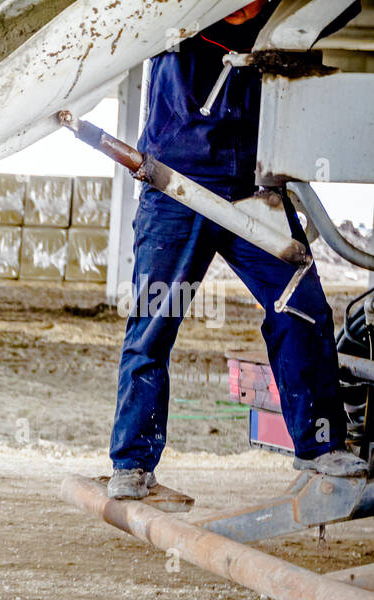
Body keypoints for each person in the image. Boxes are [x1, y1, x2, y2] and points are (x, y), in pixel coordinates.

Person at [108, 0, 365, 500]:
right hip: (177, 187)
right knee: (154, 322)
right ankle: (132, 465)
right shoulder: (175, 12)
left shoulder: (289, 18)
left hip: (255, 189)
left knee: (303, 309)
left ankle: (321, 448)